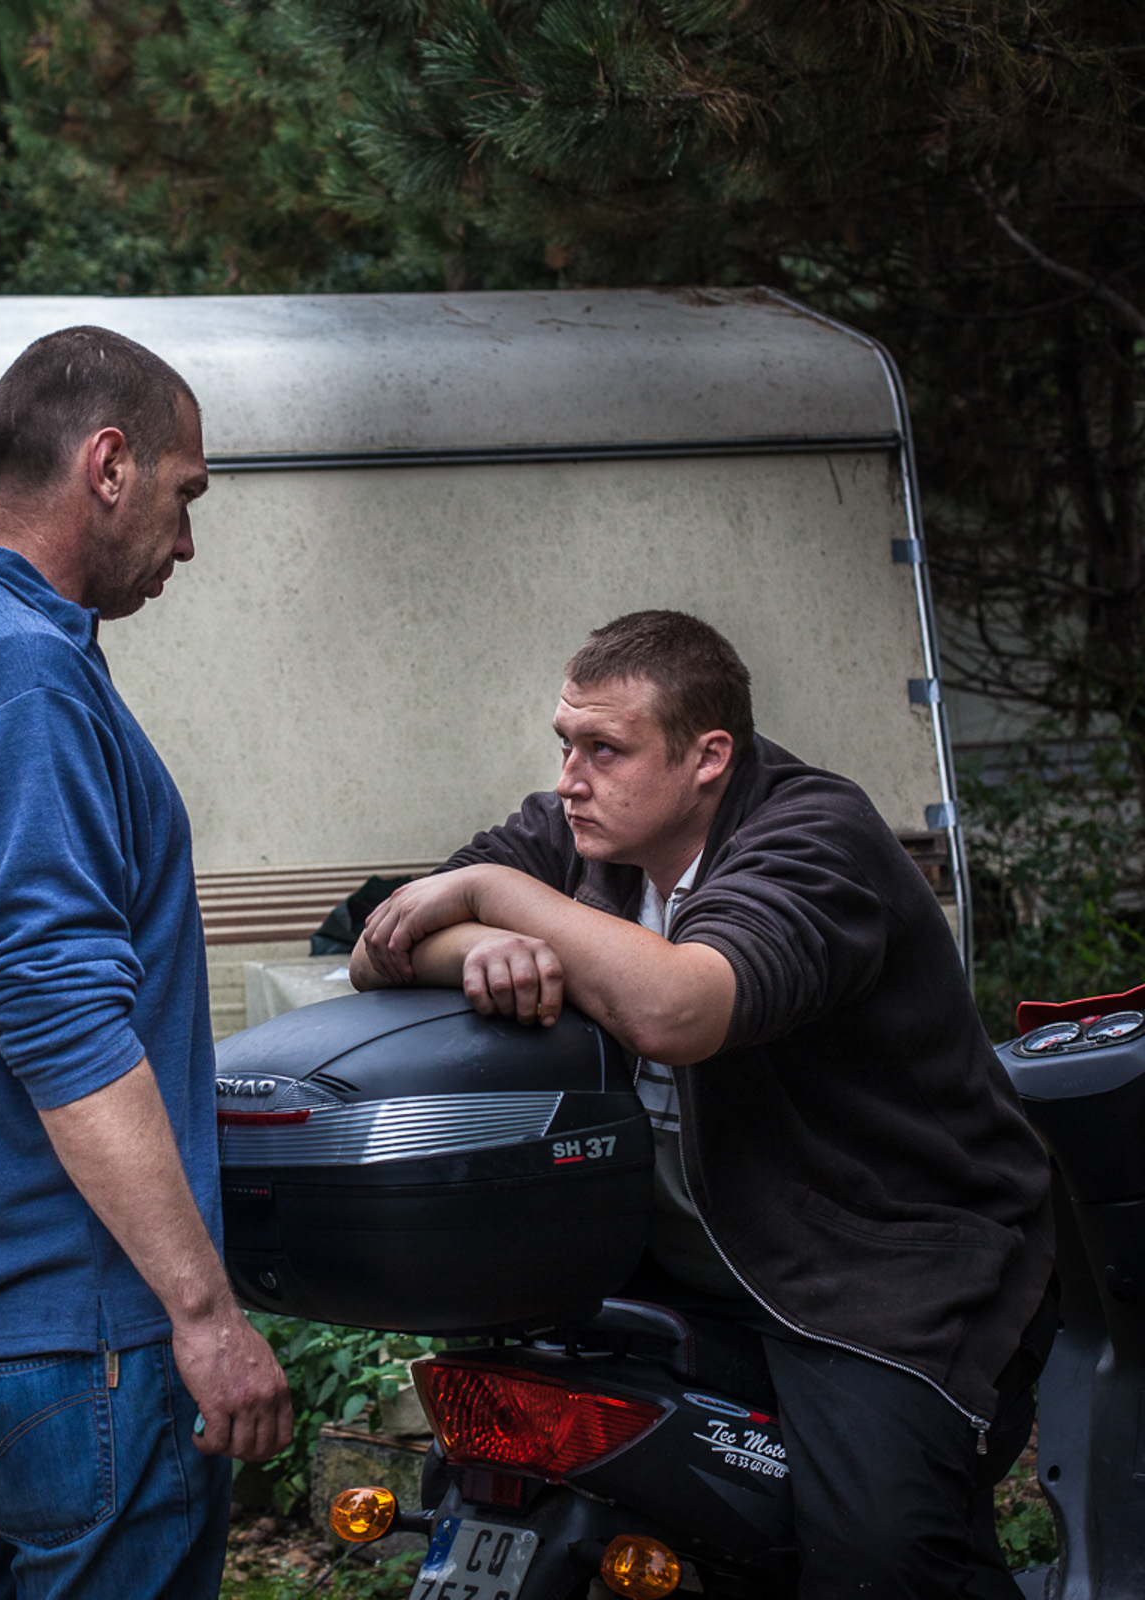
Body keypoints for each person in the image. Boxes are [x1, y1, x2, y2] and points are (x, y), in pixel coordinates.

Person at [351, 609, 1054, 1600]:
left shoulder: (813, 839)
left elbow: (675, 1008)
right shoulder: (572, 835)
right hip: (670, 1259)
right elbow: (374, 948)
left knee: (877, 1559)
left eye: (605, 749)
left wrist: (490, 897)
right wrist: (476, 944)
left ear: (707, 756)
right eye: (563, 744)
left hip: (881, 1268)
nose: (568, 779)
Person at [0, 326, 292, 1600]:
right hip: (79, 1327)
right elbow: (57, 1014)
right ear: (107, 464)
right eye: (183, 495)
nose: (186, 542)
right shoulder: (21, 673)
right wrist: (204, 1318)